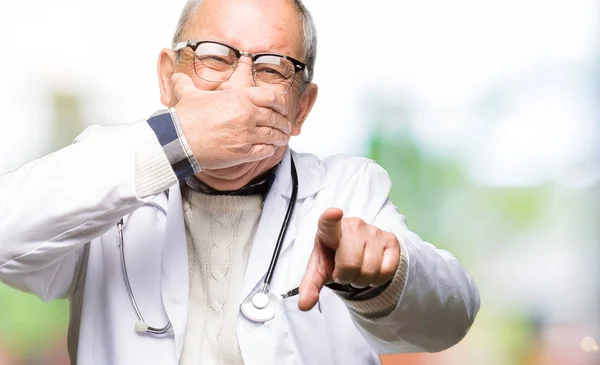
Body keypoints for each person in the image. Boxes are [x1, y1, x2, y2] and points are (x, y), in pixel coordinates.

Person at [0, 0, 480, 364]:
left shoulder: (347, 190)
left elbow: (452, 316)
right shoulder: (105, 172)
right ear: (168, 79)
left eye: (271, 68)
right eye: (214, 58)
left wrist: (384, 278)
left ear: (301, 108)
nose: (241, 88)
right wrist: (175, 142)